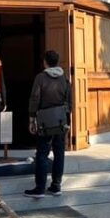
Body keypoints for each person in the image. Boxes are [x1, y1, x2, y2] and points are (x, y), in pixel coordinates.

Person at [24, 50, 72, 198]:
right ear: (57, 62)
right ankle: (56, 186)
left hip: (45, 120)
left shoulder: (40, 78)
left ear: (45, 62)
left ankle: (40, 188)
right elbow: (69, 101)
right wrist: (68, 120)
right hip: (60, 120)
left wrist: (32, 119)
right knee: (59, 153)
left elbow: (34, 98)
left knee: (42, 153)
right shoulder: (64, 78)